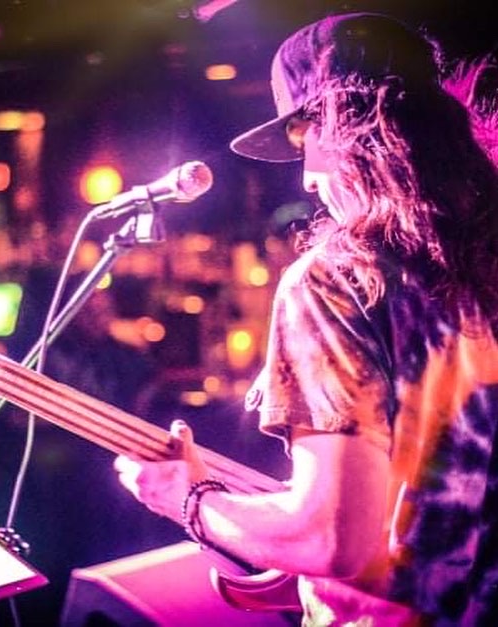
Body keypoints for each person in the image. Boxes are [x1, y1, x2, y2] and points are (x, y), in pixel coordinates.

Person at [114, 12, 498, 625]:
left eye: (302, 141)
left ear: (340, 129)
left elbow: (333, 540)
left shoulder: (336, 280)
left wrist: (188, 498)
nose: (309, 180)